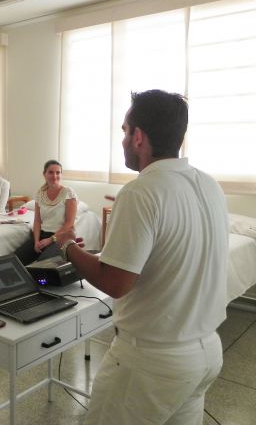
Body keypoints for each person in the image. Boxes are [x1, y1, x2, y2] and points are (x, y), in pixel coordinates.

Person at [54, 90, 228, 424]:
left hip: (151, 362)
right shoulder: (209, 185)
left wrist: (68, 246)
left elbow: (115, 281)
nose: (122, 139)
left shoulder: (141, 192)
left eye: (124, 130)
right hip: (205, 352)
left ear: (138, 137)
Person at [13, 159, 77, 265]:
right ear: (44, 174)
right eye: (51, 172)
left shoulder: (68, 193)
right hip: (42, 235)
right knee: (15, 259)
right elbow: (37, 221)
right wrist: (36, 241)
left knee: (43, 264)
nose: (54, 176)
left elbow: (69, 223)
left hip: (62, 237)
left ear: (61, 174)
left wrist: (50, 240)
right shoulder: (40, 193)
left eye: (58, 172)